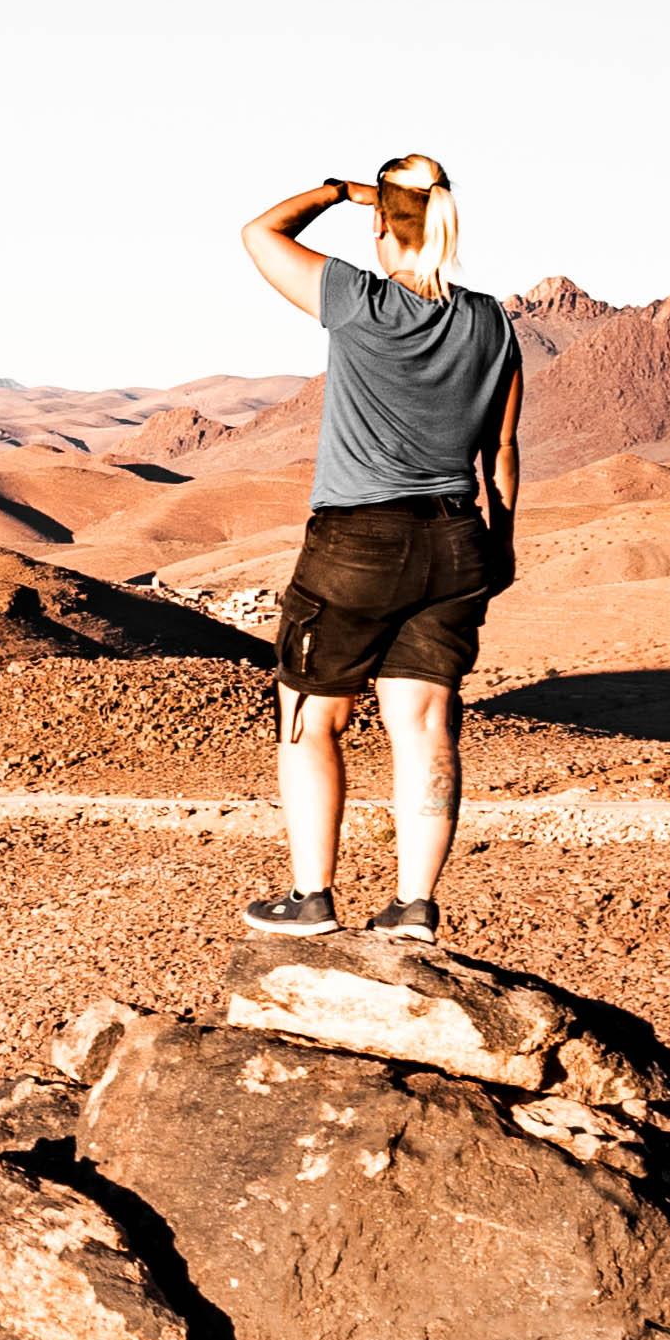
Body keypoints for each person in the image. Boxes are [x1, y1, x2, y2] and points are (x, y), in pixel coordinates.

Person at [235, 154, 521, 942]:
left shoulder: (355, 300)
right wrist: (500, 544)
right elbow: (499, 451)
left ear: (379, 222)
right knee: (424, 725)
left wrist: (335, 191)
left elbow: (260, 233)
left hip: (357, 540)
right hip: (456, 540)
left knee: (311, 718)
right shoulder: (490, 321)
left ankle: (311, 897)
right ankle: (413, 907)